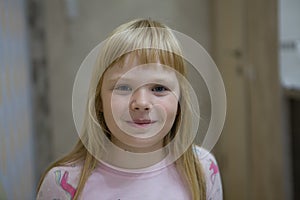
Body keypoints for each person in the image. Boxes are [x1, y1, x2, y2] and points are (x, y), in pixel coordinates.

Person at [36, 18, 223, 200]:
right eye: (123, 87)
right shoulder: (62, 184)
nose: (141, 103)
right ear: (99, 100)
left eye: (158, 88)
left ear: (180, 100)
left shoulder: (203, 169)